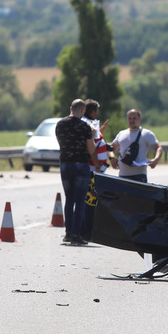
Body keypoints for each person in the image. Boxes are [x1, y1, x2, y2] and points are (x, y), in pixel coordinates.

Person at [55, 99, 96, 246]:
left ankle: (68, 233)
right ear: (82, 111)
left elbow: (61, 142)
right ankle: (76, 234)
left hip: (65, 164)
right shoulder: (85, 126)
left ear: (71, 108)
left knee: (69, 199)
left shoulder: (60, 124)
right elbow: (91, 149)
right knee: (80, 201)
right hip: (81, 164)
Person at [110, 109, 162, 183]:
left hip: (139, 175)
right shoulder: (121, 133)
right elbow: (111, 148)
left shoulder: (147, 134)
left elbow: (158, 148)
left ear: (139, 119)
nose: (131, 121)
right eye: (129, 118)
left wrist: (155, 160)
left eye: (134, 118)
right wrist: (112, 158)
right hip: (123, 175)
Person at [81, 100, 109, 241]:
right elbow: (91, 146)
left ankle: (85, 231)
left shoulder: (88, 123)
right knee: (90, 203)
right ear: (92, 112)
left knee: (88, 202)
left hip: (94, 168)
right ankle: (87, 232)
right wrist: (98, 165)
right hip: (93, 169)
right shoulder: (88, 123)